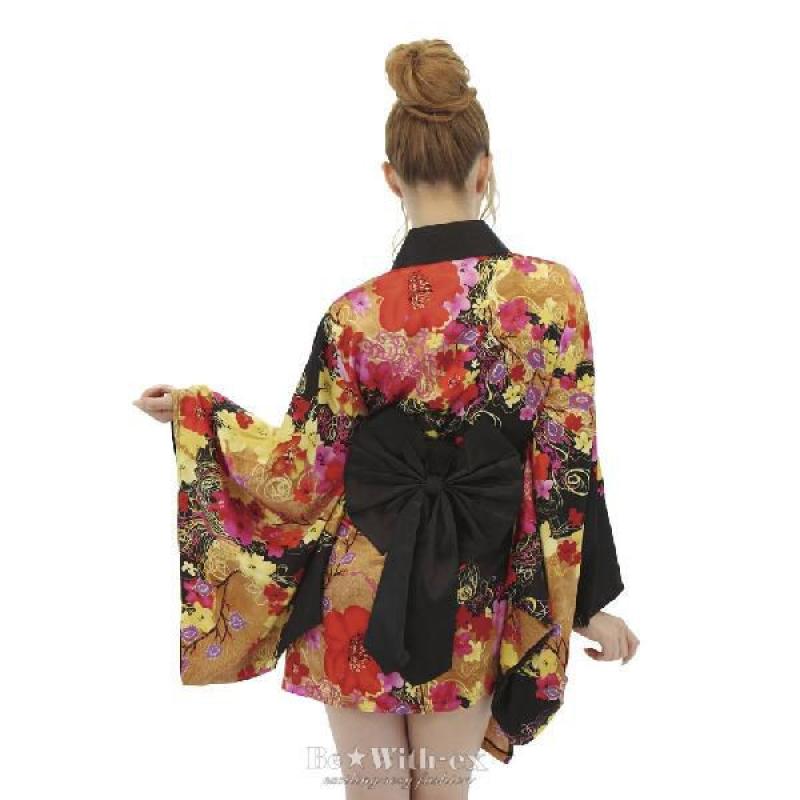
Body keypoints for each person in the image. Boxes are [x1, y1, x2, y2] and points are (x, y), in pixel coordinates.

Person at [134, 38, 639, 800]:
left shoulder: (356, 315)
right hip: (473, 591)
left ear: (391, 178)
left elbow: (303, 469)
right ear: (485, 170)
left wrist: (200, 417)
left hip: (357, 589)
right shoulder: (550, 297)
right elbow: (567, 461)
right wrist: (587, 605)